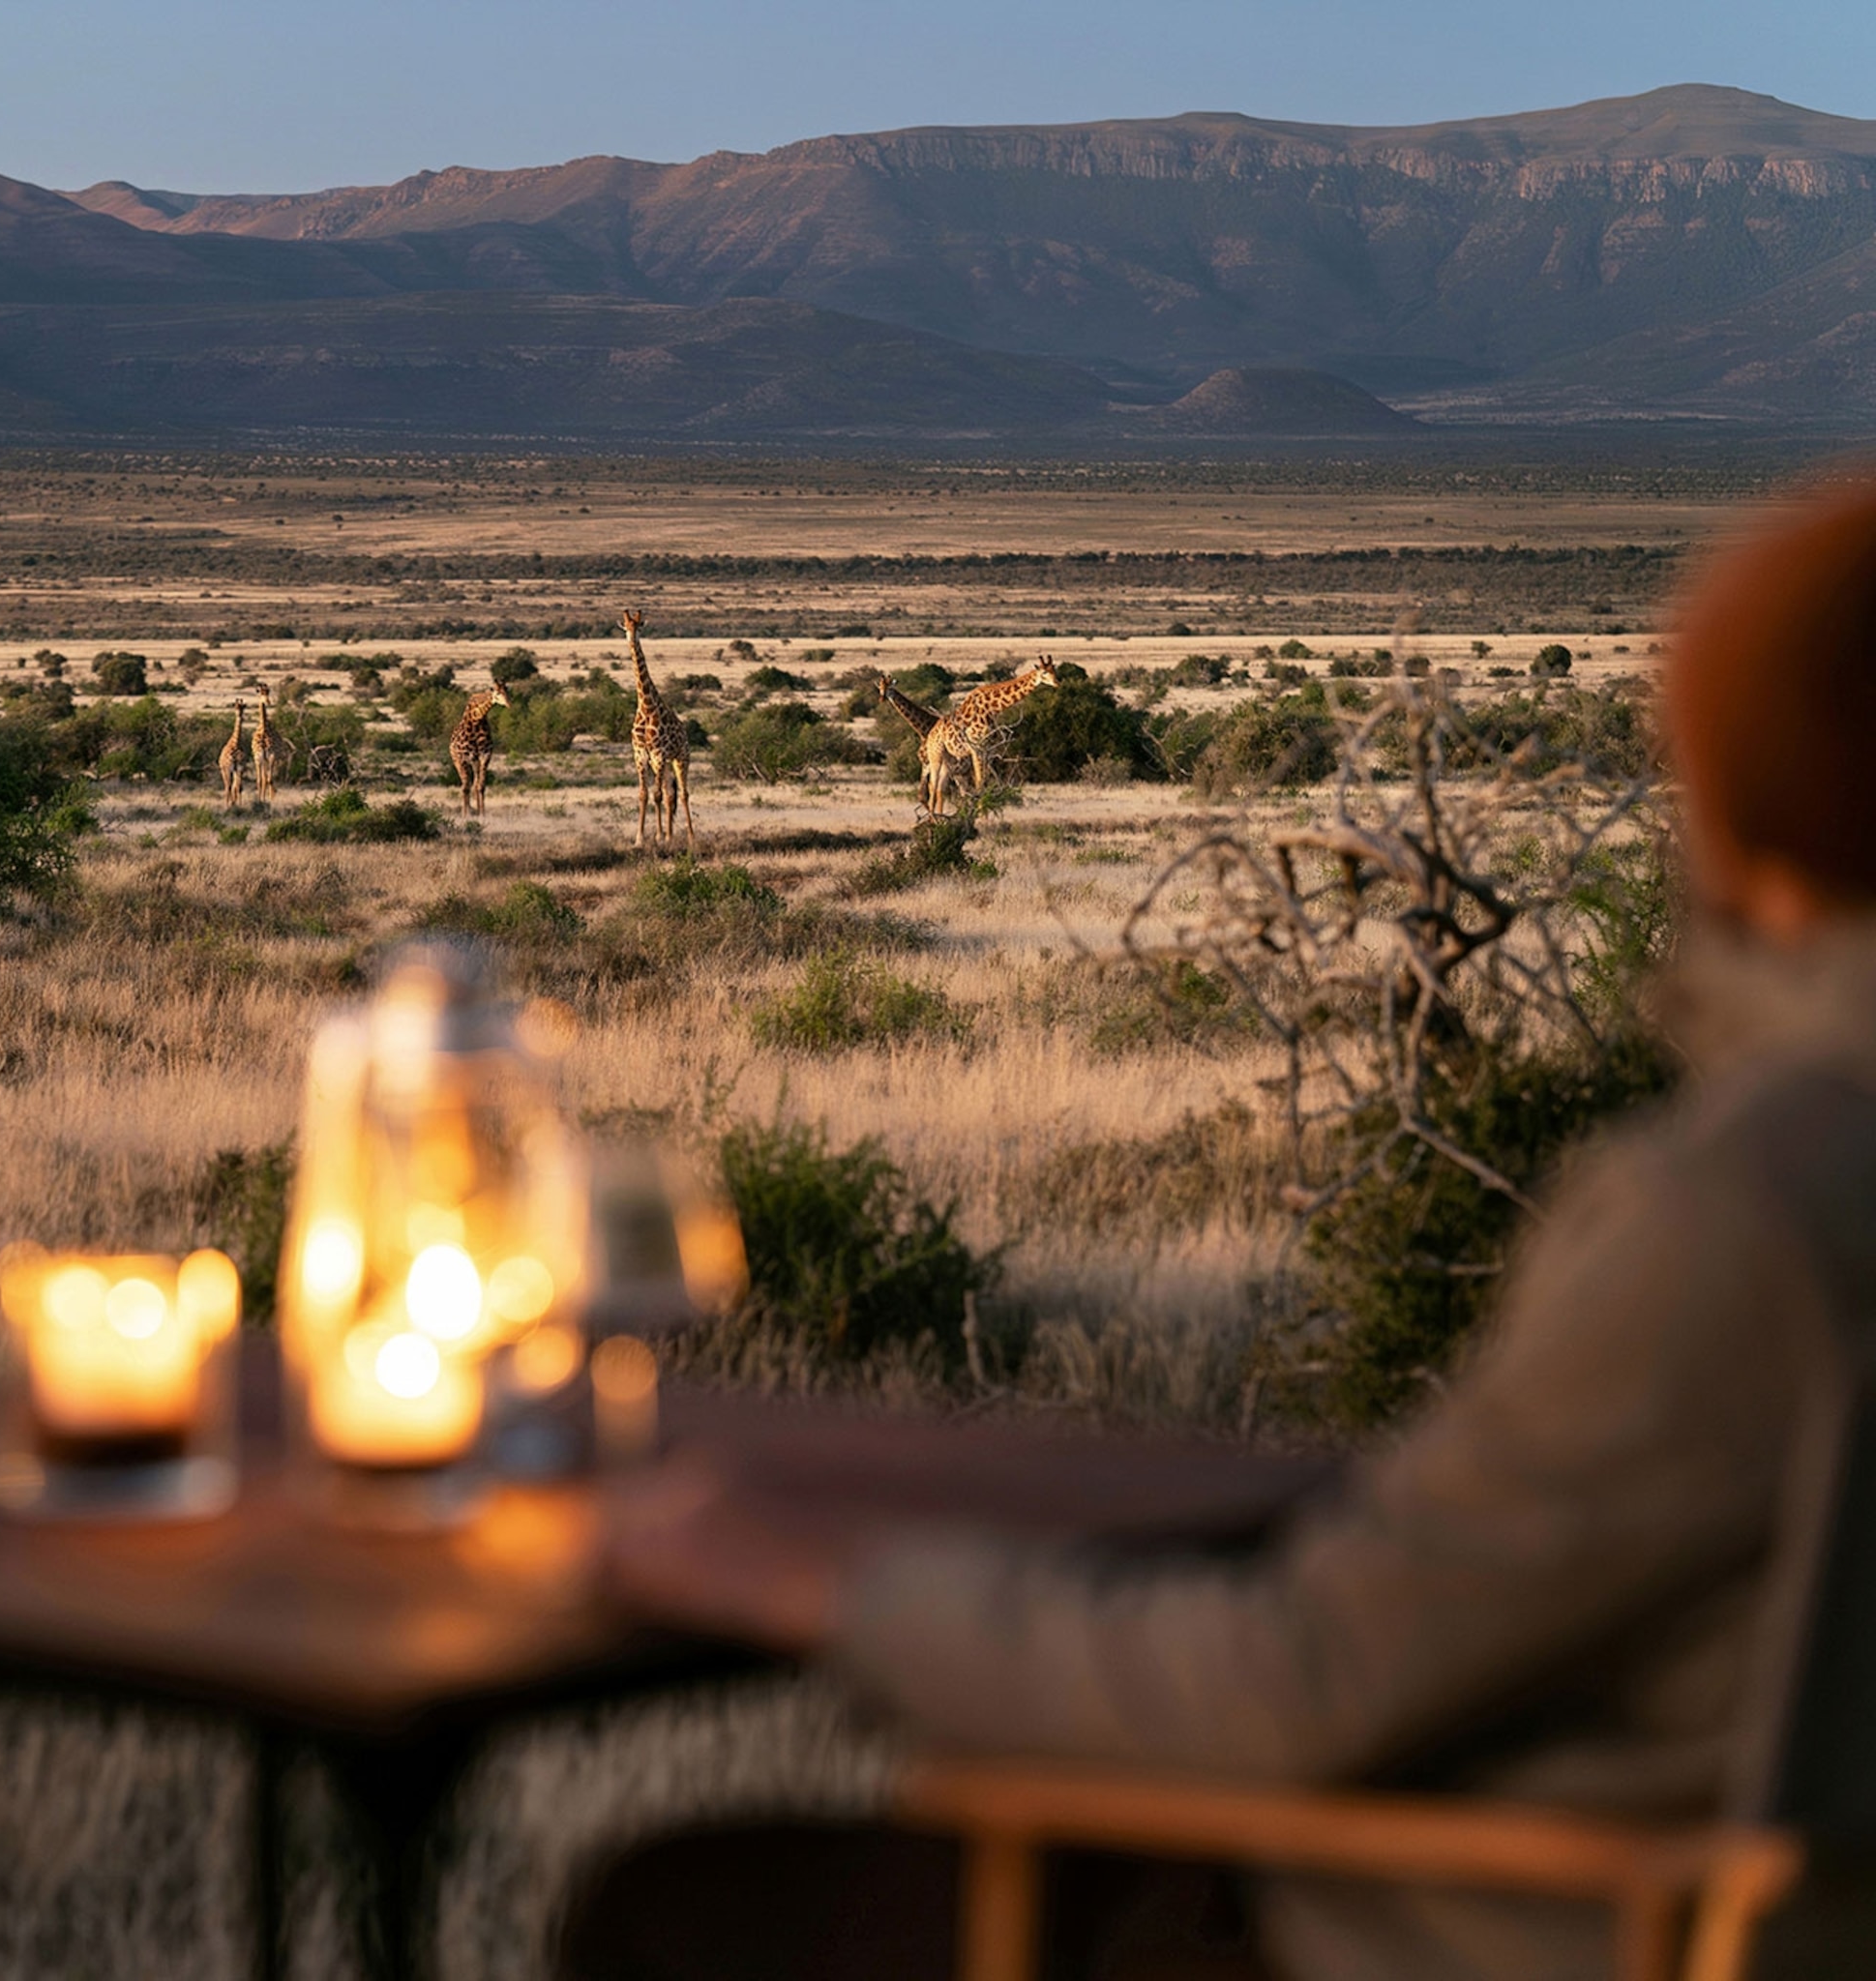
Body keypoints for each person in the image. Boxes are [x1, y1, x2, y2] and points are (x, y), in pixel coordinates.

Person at [582, 474, 1876, 1981]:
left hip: (1514, 1927)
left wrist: (830, 1586)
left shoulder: (1753, 1204)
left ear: (1743, 839)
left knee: (688, 1906)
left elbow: (1296, 1686)